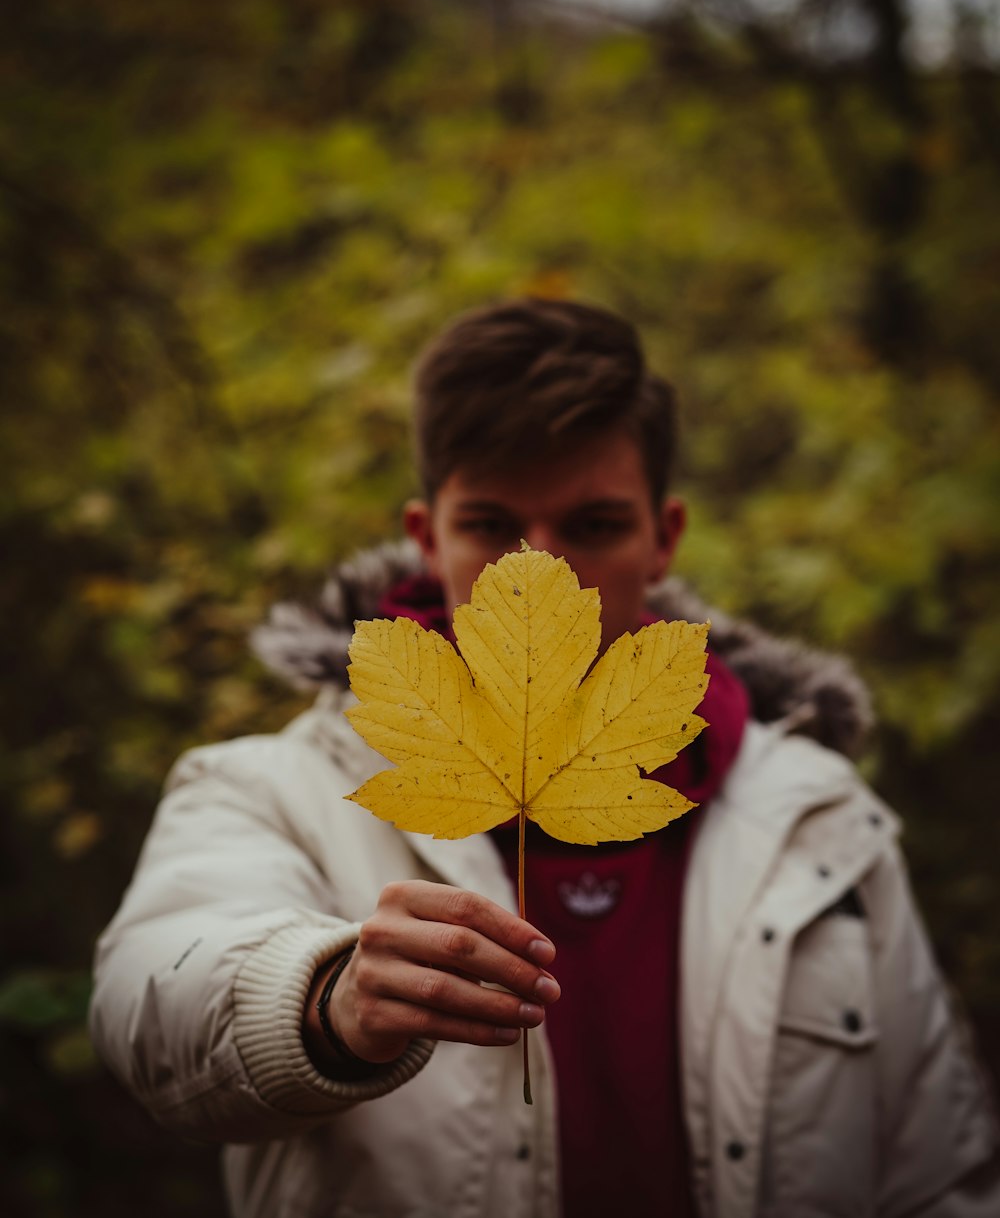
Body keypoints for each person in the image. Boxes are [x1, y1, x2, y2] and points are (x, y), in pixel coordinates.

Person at [90, 299, 999, 1217]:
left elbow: (937, 1173)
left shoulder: (820, 817)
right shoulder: (275, 789)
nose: (539, 569)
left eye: (594, 525)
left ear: (665, 534)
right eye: (490, 524)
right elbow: (149, 1003)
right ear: (424, 534)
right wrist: (325, 1000)